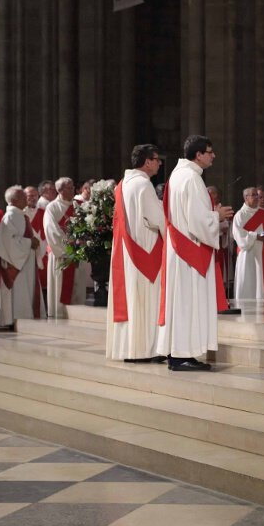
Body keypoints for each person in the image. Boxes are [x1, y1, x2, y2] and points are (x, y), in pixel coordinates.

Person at [156, 135, 234, 371]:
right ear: (198, 155)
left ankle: (178, 353)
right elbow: (197, 220)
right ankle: (182, 356)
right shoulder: (191, 179)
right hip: (190, 251)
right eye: (210, 151)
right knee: (188, 304)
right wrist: (216, 217)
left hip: (179, 249)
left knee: (181, 303)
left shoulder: (177, 176)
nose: (213, 155)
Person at [107, 144, 167, 363]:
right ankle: (145, 349)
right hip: (145, 250)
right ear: (147, 161)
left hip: (126, 249)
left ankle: (129, 348)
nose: (159, 163)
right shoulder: (143, 185)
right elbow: (157, 218)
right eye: (157, 159)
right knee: (145, 300)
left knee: (132, 301)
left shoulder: (123, 184)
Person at [0, 185, 41, 327]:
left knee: (25, 289)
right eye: (23, 197)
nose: (26, 200)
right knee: (18, 290)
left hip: (24, 261)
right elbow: (8, 242)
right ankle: (14, 319)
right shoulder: (10, 216)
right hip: (14, 264)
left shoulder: (20, 215)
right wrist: (29, 243)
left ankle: (24, 317)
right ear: (14, 200)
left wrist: (34, 241)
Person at [44, 177, 86, 317]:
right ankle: (60, 313)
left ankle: (78, 313)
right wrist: (70, 245)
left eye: (73, 186)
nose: (73, 189)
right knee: (61, 286)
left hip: (78, 253)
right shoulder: (52, 207)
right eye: (68, 187)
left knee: (78, 286)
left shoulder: (79, 205)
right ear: (59, 190)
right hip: (61, 255)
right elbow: (52, 231)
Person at [232, 186, 264, 300]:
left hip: (263, 252)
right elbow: (239, 235)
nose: (257, 197)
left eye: (257, 195)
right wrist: (255, 236)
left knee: (261, 281)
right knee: (248, 280)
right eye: (254, 195)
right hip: (247, 254)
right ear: (246, 197)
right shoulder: (240, 215)